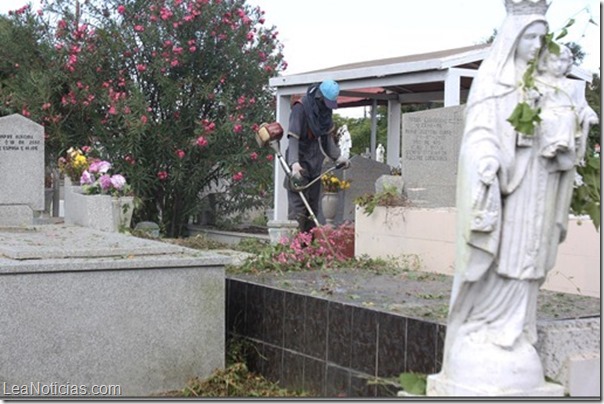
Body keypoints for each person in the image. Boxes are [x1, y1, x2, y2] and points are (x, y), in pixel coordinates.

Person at [437, 0, 598, 393]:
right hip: (507, 188)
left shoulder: (551, 85)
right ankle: (484, 327)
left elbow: (568, 124)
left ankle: (515, 331)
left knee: (530, 257)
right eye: (531, 37)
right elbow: (479, 135)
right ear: (514, 38)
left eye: (542, 38)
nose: (537, 44)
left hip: (539, 185)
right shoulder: (493, 82)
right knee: (502, 255)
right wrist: (488, 160)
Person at [285, 79, 350, 233]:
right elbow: (293, 138)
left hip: (315, 161)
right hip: (299, 162)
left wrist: (337, 157)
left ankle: (309, 249)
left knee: (313, 209)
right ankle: (294, 248)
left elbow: (327, 139)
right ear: (319, 98)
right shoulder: (300, 108)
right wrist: (294, 164)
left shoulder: (325, 111)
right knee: (298, 210)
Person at [535, 45, 598, 171]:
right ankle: (554, 146)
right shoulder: (538, 82)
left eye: (563, 60)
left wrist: (589, 114)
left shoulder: (571, 85)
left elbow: (582, 105)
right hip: (546, 117)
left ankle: (562, 147)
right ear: (545, 60)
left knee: (568, 116)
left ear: (569, 63)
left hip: (566, 117)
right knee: (559, 117)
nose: (558, 65)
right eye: (553, 60)